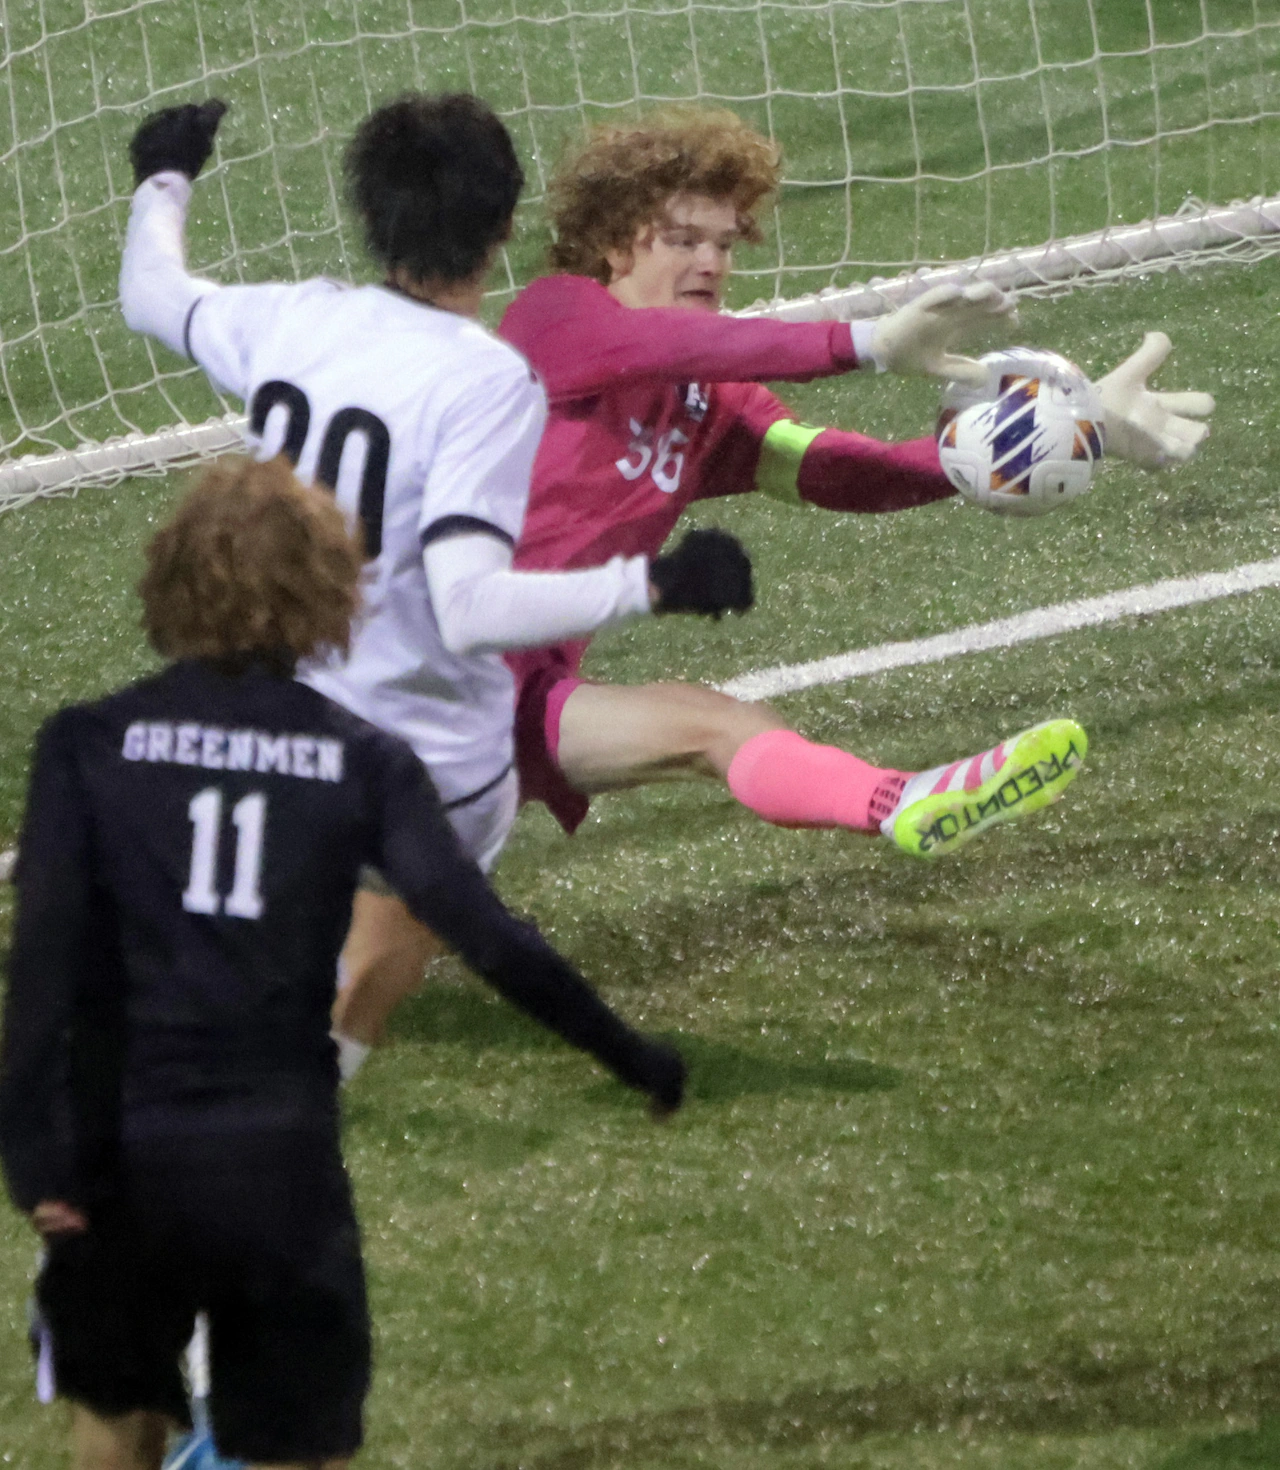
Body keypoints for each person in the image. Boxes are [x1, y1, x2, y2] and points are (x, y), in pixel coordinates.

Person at [336, 107, 1217, 1040]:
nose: (711, 263)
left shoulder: (709, 401)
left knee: (714, 727)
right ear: (610, 242)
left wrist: (1049, 438)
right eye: (682, 239)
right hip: (411, 671)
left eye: (725, 243)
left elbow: (831, 468)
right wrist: (861, 341)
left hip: (515, 692)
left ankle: (901, 802)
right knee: (313, 952)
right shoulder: (556, 320)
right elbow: (672, 347)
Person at [0, 456, 685, 1470]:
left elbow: (41, 969)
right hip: (277, 1164)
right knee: (296, 1440)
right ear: (327, 595)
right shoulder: (362, 760)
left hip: (120, 1149)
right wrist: (632, 1055)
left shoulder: (85, 744)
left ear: (167, 577)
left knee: (113, 1414)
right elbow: (485, 934)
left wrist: (33, 1159)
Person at [118, 94, 751, 1081]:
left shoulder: (287, 320)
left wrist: (164, 177)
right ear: (503, 228)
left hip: (272, 723)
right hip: (425, 755)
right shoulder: (484, 380)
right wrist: (653, 584)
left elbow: (149, 291)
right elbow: (469, 608)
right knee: (351, 995)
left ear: (370, 214)